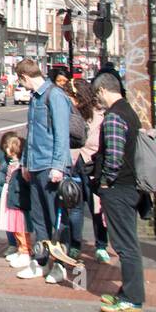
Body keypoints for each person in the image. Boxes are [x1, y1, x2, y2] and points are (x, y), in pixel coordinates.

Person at [15, 58, 72, 283]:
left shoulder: (54, 96)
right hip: (36, 165)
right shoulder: (35, 98)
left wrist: (58, 166)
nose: (23, 86)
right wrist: (26, 164)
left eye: (21, 82)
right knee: (39, 219)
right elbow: (31, 136)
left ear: (25, 77)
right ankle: (39, 262)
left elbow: (62, 134)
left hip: (50, 167)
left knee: (55, 220)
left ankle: (60, 266)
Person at [93, 71, 145, 312]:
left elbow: (113, 157)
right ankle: (127, 291)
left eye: (98, 94)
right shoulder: (129, 112)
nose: (98, 99)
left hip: (119, 188)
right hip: (129, 186)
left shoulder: (114, 117)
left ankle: (132, 298)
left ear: (103, 90)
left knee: (125, 245)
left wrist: (104, 181)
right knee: (127, 243)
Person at [51, 79, 105, 265]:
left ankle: (101, 245)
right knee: (74, 206)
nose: (67, 99)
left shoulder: (98, 114)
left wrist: (85, 153)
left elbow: (98, 142)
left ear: (79, 97)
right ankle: (75, 244)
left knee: (95, 207)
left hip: (91, 165)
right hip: (72, 165)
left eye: (70, 95)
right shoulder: (68, 113)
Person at [0, 132, 31, 267]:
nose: (5, 150)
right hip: (12, 198)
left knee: (21, 227)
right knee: (15, 227)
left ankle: (25, 251)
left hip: (17, 200)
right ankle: (20, 249)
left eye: (7, 147)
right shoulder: (12, 163)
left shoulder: (19, 165)